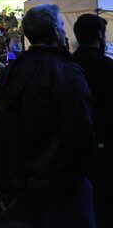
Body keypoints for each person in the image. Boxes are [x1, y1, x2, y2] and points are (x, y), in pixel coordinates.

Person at [0, 4, 95, 227]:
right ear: (56, 32)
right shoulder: (65, 70)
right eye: (61, 27)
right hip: (60, 182)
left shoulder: (12, 70)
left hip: (21, 179)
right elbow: (80, 129)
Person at [72, 14, 113, 214]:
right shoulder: (106, 66)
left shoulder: (68, 64)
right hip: (102, 142)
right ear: (99, 34)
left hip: (71, 144)